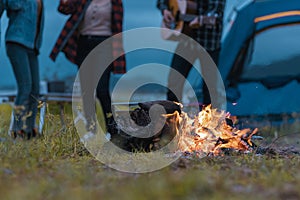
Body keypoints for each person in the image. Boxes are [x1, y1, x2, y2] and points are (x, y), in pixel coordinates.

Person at [50, 0, 126, 136]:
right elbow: (64, 8)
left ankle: (113, 131)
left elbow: (118, 26)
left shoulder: (115, 2)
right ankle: (91, 129)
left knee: (102, 89)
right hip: (84, 44)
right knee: (87, 90)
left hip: (105, 45)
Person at [157, 0, 226, 108]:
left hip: (209, 43)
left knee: (210, 89)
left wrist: (201, 20)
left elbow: (215, 15)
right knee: (174, 82)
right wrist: (165, 9)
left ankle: (210, 121)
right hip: (187, 40)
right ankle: (172, 119)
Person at [0, 0, 44, 139]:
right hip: (16, 42)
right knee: (25, 86)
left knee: (35, 89)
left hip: (32, 46)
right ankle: (17, 130)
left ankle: (29, 130)